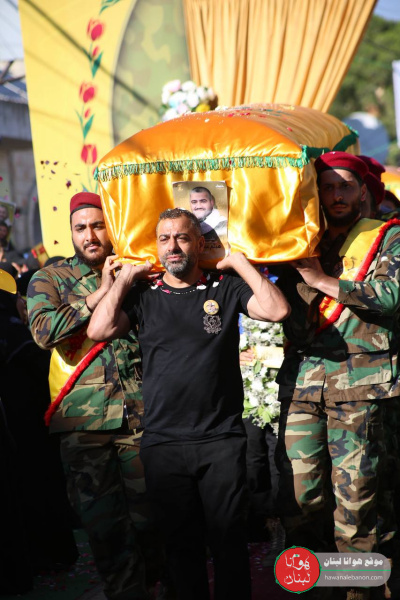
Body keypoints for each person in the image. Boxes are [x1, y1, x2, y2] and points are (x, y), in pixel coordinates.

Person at [87, 207, 291, 600]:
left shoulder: (225, 288)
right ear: (156, 246)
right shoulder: (144, 295)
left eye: (182, 237)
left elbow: (277, 310)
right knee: (181, 548)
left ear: (199, 243)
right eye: (164, 239)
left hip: (220, 440)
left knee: (229, 542)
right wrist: (124, 279)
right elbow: (98, 330)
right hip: (163, 443)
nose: (173, 246)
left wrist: (240, 263)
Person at [275, 151, 400, 600]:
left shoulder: (387, 236)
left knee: (356, 508)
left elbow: (391, 296)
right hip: (303, 387)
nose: (336, 195)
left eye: (345, 186)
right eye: (327, 188)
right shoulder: (303, 239)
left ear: (363, 191)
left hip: (360, 389)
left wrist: (322, 280)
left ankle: (359, 592)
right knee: (300, 501)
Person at [27, 192, 163, 600]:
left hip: (140, 416)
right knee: (104, 528)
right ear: (71, 233)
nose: (90, 235)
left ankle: (157, 587)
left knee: (152, 520)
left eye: (98, 226)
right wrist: (99, 293)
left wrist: (125, 280)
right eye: (80, 228)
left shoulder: (135, 270)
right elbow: (43, 332)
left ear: (111, 226)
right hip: (82, 425)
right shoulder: (50, 278)